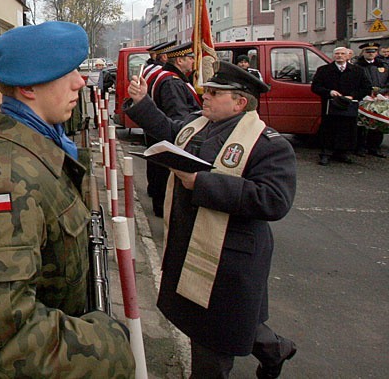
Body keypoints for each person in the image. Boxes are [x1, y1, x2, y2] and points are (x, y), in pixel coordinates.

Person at [0, 21, 135, 378]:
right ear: (28, 87)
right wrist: (107, 346)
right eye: (67, 72)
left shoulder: (42, 147)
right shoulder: (6, 178)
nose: (81, 81)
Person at [124, 61, 297, 379]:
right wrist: (142, 102)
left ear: (240, 102)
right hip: (193, 243)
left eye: (215, 93)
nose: (205, 96)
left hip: (230, 257)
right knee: (228, 320)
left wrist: (201, 183)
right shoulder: (197, 124)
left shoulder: (269, 145)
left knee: (212, 336)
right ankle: (275, 350)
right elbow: (170, 132)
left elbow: (274, 200)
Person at [144, 41, 201, 217]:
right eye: (190, 58)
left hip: (160, 136)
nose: (193, 62)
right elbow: (178, 116)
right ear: (179, 61)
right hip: (169, 139)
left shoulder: (167, 76)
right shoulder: (172, 82)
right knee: (164, 177)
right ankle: (163, 208)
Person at [311, 46, 372, 165]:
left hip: (349, 106)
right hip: (330, 106)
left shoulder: (357, 71)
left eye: (342, 54)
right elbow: (315, 87)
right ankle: (326, 154)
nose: (339, 56)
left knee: (347, 129)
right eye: (337, 54)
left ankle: (343, 153)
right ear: (333, 56)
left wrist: (353, 96)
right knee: (329, 129)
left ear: (347, 56)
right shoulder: (324, 70)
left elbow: (366, 88)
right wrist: (329, 92)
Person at [355, 41, 389, 157]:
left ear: (376, 52)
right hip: (364, 97)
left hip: (380, 98)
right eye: (368, 51)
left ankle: (374, 147)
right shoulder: (357, 66)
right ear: (363, 52)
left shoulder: (383, 65)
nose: (370, 54)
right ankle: (360, 147)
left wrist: (383, 91)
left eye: (373, 51)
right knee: (361, 124)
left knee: (377, 123)